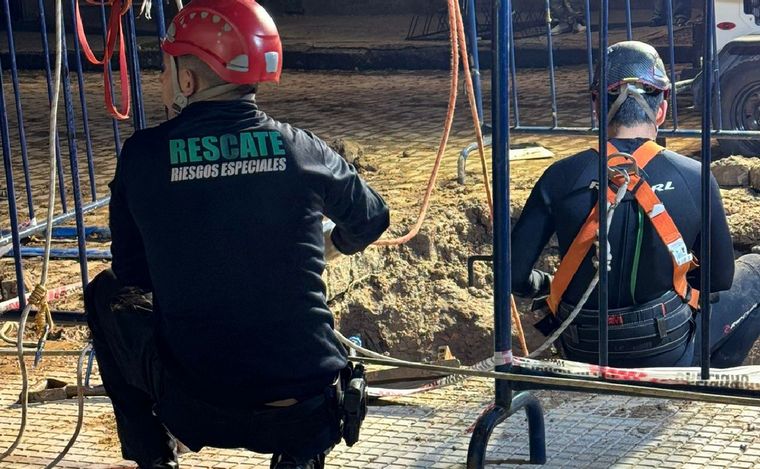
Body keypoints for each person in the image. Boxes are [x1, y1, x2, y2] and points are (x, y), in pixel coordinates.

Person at [83, 1, 390, 468]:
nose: (163, 79)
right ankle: (300, 457)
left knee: (103, 294)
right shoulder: (302, 148)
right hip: (307, 409)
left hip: (195, 407)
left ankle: (153, 456)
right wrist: (328, 247)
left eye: (165, 66)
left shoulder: (142, 158)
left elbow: (133, 279)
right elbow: (372, 218)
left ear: (187, 81)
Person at [511, 40, 760, 369]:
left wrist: (547, 282)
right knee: (755, 274)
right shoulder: (694, 176)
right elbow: (719, 279)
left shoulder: (560, 176)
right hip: (667, 349)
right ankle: (710, 376)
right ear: (662, 108)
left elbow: (512, 274)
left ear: (598, 104)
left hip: (581, 348)